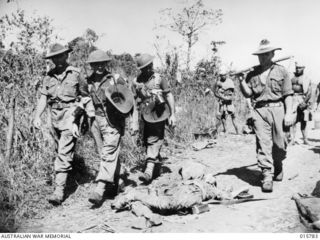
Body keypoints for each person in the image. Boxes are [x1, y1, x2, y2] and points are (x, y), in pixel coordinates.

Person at [33, 43, 95, 205]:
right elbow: (43, 98)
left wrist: (81, 117)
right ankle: (69, 177)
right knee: (58, 150)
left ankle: (59, 192)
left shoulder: (76, 73)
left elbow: (84, 96)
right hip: (53, 116)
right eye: (54, 57)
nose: (58, 59)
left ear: (66, 56)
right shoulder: (48, 76)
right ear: (51, 59)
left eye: (61, 55)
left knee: (63, 152)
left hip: (70, 115)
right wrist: (37, 116)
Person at [239, 39, 294, 192]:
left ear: (272, 54)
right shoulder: (252, 73)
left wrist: (289, 113)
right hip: (259, 111)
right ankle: (266, 175)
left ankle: (278, 164)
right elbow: (248, 93)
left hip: (278, 109)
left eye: (265, 54)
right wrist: (242, 81)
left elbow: (288, 94)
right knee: (263, 143)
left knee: (280, 144)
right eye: (260, 55)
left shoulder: (281, 71)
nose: (262, 58)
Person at [85, 49, 136, 206]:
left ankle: (99, 189)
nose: (99, 66)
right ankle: (120, 182)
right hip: (97, 120)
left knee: (108, 151)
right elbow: (84, 99)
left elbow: (130, 99)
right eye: (96, 64)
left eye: (102, 63)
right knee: (108, 152)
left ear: (106, 63)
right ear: (92, 65)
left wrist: (133, 121)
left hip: (114, 120)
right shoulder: (88, 81)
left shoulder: (115, 79)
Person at [133, 53, 176, 184]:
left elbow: (169, 95)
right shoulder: (136, 81)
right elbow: (134, 101)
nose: (149, 68)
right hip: (144, 115)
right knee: (146, 141)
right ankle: (156, 169)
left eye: (150, 65)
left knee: (154, 139)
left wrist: (173, 114)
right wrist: (134, 121)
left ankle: (149, 170)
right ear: (141, 68)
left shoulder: (159, 79)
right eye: (145, 67)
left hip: (158, 113)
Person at [289, 62, 312, 145]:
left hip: (302, 97)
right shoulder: (291, 76)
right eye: (297, 68)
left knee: (304, 120)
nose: (298, 69)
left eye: (299, 68)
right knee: (292, 120)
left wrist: (305, 102)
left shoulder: (306, 78)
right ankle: (292, 139)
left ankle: (305, 139)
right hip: (292, 98)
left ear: (303, 68)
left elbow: (309, 92)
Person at [214, 66, 239, 134]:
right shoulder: (218, 82)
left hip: (229, 101)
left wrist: (227, 96)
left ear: (226, 75)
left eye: (224, 75)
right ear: (220, 76)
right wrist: (220, 95)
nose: (223, 76)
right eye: (222, 75)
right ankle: (226, 130)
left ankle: (238, 131)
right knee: (223, 117)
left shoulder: (229, 81)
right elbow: (215, 92)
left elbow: (232, 92)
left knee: (233, 116)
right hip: (222, 101)